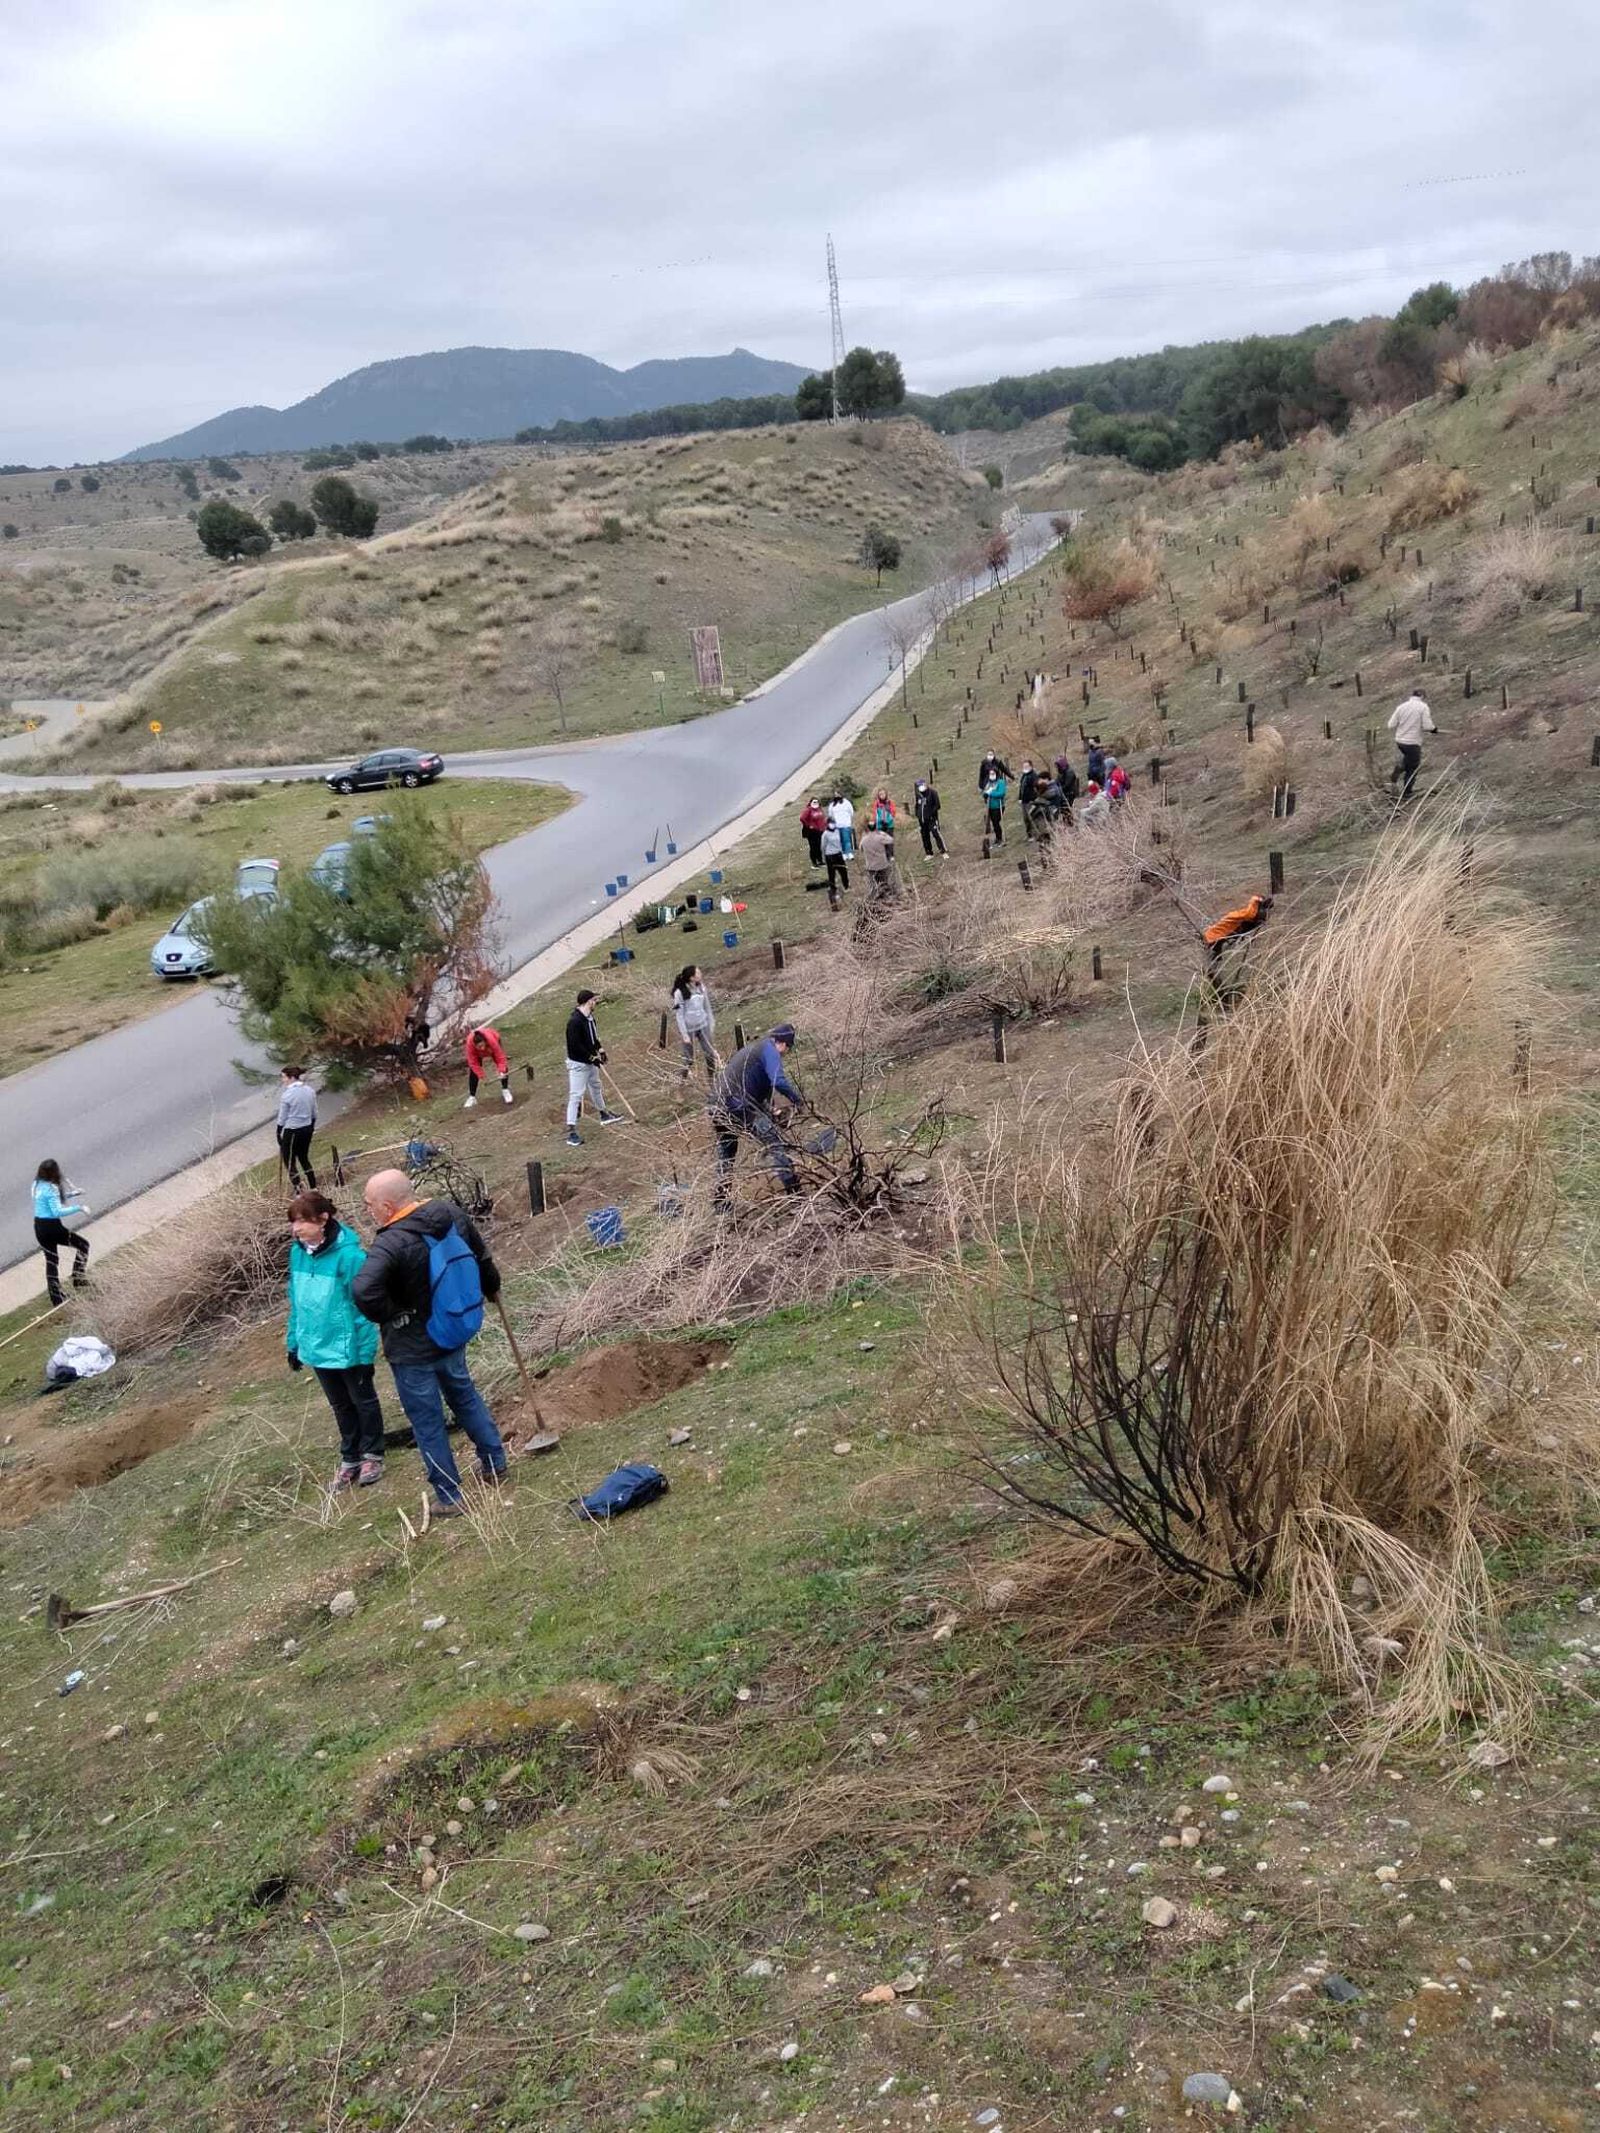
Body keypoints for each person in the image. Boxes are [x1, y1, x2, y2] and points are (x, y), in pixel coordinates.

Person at [353, 1170, 507, 1514]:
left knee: (427, 1421)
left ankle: (450, 1496)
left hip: (411, 1347)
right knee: (465, 1395)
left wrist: (392, 1313)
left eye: (370, 1205)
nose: (368, 1211)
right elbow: (481, 1255)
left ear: (388, 1206)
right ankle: (495, 1462)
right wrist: (491, 1286)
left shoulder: (390, 1243)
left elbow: (363, 1290)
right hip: (450, 1329)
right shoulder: (450, 1213)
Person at [286, 1189, 385, 1491]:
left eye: (302, 1221)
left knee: (362, 1401)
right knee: (340, 1405)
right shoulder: (297, 1253)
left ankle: (372, 1454)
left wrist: (366, 1353)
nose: (296, 1228)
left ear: (323, 1219)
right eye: (293, 1222)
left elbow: (363, 1307)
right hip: (316, 1347)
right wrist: (294, 1343)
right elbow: (296, 1302)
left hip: (347, 1348)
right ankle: (350, 1458)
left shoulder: (350, 1256)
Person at [710, 1025, 803, 1209]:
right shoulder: (770, 1051)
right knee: (775, 1144)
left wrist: (773, 1112)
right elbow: (778, 1081)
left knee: (727, 1153)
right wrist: (797, 1100)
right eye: (787, 1049)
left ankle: (721, 1202)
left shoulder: (754, 1051)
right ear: (783, 1044)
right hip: (737, 1106)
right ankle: (796, 1194)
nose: (785, 1054)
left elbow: (755, 1087)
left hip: (717, 1106)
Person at [564, 987, 621, 1148]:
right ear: (588, 1002)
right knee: (576, 1095)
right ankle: (571, 1132)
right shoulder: (574, 1022)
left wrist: (600, 1051)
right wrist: (591, 1058)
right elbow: (574, 1046)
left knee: (596, 1086)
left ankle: (604, 1114)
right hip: (578, 1064)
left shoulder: (590, 1018)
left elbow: (593, 1038)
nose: (596, 1002)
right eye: (594, 1000)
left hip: (590, 1061)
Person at [32, 1159, 89, 1306]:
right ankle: (78, 1277)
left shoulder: (36, 1185)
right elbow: (57, 1210)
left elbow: (50, 1200)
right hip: (53, 1228)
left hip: (39, 1227)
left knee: (51, 1261)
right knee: (83, 1245)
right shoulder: (52, 1188)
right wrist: (80, 1207)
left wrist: (73, 1194)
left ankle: (56, 1298)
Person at [1388, 689, 1436, 800]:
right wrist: (1433, 729)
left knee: (1408, 760)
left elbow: (1391, 724)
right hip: (1413, 742)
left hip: (1400, 741)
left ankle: (1398, 769)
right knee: (1413, 767)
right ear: (1422, 696)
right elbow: (1427, 726)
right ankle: (1407, 792)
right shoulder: (1423, 707)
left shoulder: (1401, 707)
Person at [671, 964, 718, 1080]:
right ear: (691, 977)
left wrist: (711, 1024)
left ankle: (711, 1080)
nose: (700, 974)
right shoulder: (679, 993)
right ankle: (682, 1079)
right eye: (697, 973)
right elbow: (679, 1015)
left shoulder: (701, 988)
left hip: (703, 1026)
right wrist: (684, 1035)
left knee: (710, 1054)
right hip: (689, 1029)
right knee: (688, 1059)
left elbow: (707, 1007)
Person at [276, 1066, 317, 1189]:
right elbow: (315, 1112)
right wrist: (311, 1126)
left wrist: (278, 1132)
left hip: (292, 1130)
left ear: (291, 1077)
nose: (283, 1080)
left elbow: (282, 1117)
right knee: (304, 1158)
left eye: (284, 1077)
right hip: (307, 1128)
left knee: (289, 1161)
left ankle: (298, 1188)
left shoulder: (287, 1095)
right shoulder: (309, 1090)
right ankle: (313, 1186)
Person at [464, 1024, 513, 1109]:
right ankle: (472, 1097)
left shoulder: (491, 1040)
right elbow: (473, 1063)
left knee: (502, 1065)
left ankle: (505, 1090)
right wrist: (482, 1076)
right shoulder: (470, 1046)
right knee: (473, 1071)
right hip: (476, 1052)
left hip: (492, 1044)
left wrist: (501, 1071)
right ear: (475, 1045)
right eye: (479, 1047)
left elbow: (500, 1057)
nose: (482, 1048)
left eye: (483, 1045)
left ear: (485, 1041)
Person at [860, 821, 897, 900]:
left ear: (868, 829)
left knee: (874, 884)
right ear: (876, 828)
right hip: (882, 865)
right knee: (884, 882)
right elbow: (891, 840)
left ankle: (876, 899)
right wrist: (883, 833)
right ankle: (887, 898)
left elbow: (861, 849)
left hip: (871, 866)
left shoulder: (864, 839)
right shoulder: (880, 837)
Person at [914, 779, 947, 857]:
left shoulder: (933, 793)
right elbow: (917, 806)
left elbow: (937, 805)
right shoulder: (918, 795)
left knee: (936, 833)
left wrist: (930, 814)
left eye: (922, 785)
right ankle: (929, 853)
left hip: (932, 819)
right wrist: (918, 814)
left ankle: (943, 851)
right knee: (925, 836)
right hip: (922, 820)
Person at [821, 817, 850, 895]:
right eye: (831, 823)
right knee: (832, 874)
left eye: (833, 823)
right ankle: (833, 889)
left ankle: (846, 886)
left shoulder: (837, 831)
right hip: (830, 856)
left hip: (838, 854)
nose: (833, 825)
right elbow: (823, 846)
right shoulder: (825, 834)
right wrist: (824, 857)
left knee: (843, 871)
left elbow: (840, 842)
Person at [982, 765, 1008, 844]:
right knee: (993, 823)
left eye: (993, 774)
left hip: (998, 806)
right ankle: (997, 838)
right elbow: (985, 792)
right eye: (990, 774)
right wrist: (985, 795)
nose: (991, 775)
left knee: (996, 822)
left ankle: (999, 838)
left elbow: (1001, 793)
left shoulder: (1000, 782)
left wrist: (991, 793)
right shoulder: (988, 783)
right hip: (990, 806)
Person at [800, 797, 828, 868]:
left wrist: (825, 826)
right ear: (811, 802)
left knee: (819, 846)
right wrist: (809, 825)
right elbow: (802, 818)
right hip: (812, 832)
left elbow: (823, 818)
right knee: (813, 847)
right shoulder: (808, 810)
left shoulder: (819, 809)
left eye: (817, 802)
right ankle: (814, 863)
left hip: (820, 831)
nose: (816, 803)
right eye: (814, 802)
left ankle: (820, 861)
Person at [827, 790, 855, 858]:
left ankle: (849, 852)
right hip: (837, 825)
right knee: (840, 840)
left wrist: (848, 820)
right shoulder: (832, 805)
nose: (837, 796)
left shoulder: (847, 803)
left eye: (838, 794)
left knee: (847, 839)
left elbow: (851, 812)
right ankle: (843, 853)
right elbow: (830, 815)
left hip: (846, 824)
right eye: (835, 794)